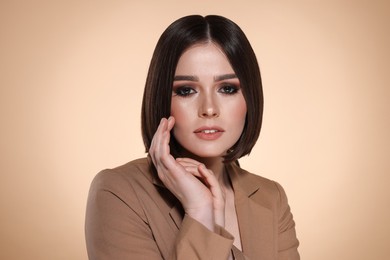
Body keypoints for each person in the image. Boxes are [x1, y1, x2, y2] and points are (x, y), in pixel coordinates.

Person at [85, 15, 300, 260]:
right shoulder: (119, 193)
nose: (209, 108)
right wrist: (200, 211)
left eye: (227, 88)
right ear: (162, 98)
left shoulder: (271, 197)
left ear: (250, 98)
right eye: (186, 90)